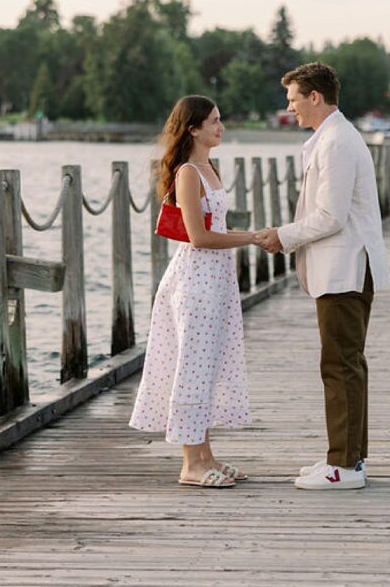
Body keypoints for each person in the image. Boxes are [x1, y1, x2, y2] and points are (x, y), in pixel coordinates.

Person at [129, 94, 277, 487]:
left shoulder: (210, 168)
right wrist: (252, 238)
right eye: (213, 121)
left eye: (220, 119)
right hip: (194, 281)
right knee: (191, 367)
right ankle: (190, 464)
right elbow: (198, 237)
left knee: (207, 368)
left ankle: (206, 454)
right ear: (192, 128)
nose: (220, 126)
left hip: (217, 281)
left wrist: (246, 238)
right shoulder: (188, 173)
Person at [265, 60, 389, 492]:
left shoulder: (336, 142)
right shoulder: (334, 137)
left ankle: (345, 466)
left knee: (340, 365)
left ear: (315, 97)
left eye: (294, 99)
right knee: (346, 363)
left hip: (345, 267)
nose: (290, 108)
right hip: (346, 266)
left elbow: (330, 217)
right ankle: (347, 456)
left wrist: (282, 236)